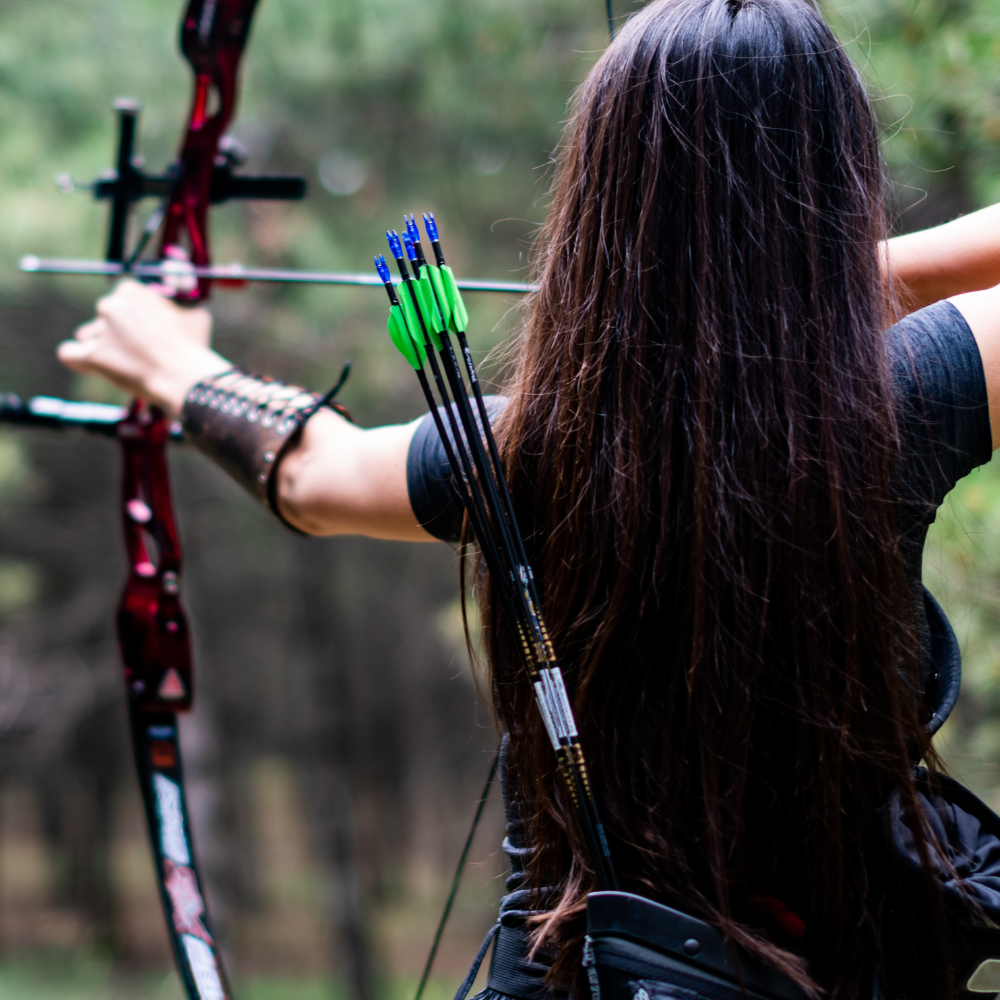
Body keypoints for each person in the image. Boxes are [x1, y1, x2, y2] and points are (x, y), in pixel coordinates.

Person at [57, 0, 1000, 996]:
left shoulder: (525, 444)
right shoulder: (908, 396)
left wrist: (175, 364)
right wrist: (798, 290)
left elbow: (311, 474)